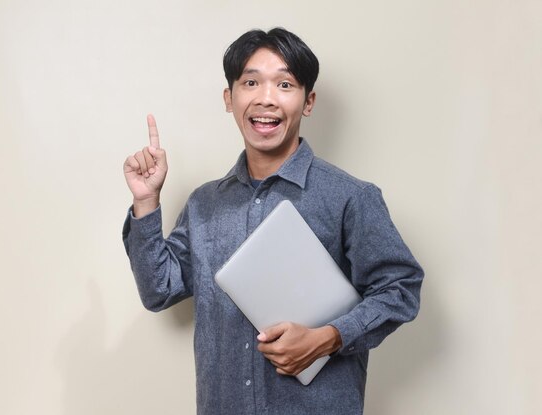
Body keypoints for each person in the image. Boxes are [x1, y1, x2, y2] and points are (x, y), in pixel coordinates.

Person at [122, 27, 423, 414]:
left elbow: (400, 288)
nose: (266, 99)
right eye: (251, 82)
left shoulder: (350, 197)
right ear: (229, 98)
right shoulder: (204, 204)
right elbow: (159, 290)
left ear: (308, 101)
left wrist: (329, 337)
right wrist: (146, 202)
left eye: (285, 84)